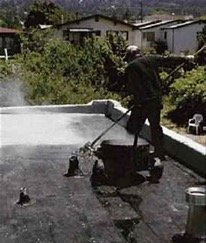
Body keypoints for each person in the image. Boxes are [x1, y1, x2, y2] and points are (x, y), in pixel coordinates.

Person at [124, 45, 194, 161]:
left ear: (130, 56)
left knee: (133, 127)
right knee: (155, 127)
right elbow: (168, 59)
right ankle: (159, 152)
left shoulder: (131, 67)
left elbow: (132, 88)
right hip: (155, 100)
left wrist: (135, 101)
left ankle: (130, 151)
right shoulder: (151, 59)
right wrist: (185, 58)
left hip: (143, 103)